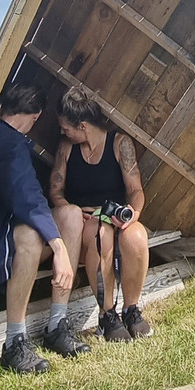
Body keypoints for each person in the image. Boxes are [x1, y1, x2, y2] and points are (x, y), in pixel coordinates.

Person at [0, 80, 77, 375]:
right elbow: (28, 199)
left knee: (70, 215)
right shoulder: (6, 143)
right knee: (31, 237)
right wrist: (59, 249)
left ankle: (58, 323)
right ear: (35, 117)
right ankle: (14, 342)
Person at [50, 85, 152, 343]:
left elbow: (136, 190)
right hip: (85, 221)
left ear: (83, 126)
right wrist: (71, 211)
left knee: (137, 237)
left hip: (116, 216)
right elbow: (55, 191)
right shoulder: (66, 148)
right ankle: (107, 314)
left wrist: (132, 213)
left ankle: (131, 309)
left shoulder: (120, 144)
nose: (63, 131)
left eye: (66, 127)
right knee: (100, 236)